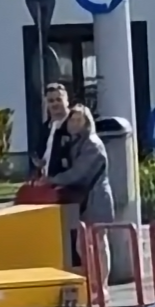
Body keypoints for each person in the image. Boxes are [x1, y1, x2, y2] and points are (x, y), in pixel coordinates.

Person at [37, 104, 114, 268]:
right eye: (72, 119)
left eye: (79, 120)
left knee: (98, 243)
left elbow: (78, 173)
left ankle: (102, 284)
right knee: (83, 245)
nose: (74, 123)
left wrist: (52, 180)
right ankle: (92, 279)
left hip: (96, 200)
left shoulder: (92, 144)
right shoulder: (75, 143)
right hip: (84, 201)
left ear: (87, 123)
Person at [29, 82, 72, 178]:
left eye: (59, 99)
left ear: (67, 101)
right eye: (51, 101)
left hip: (68, 184)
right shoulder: (45, 128)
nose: (55, 104)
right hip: (47, 183)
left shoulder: (74, 125)